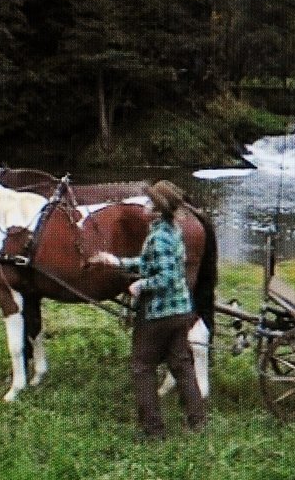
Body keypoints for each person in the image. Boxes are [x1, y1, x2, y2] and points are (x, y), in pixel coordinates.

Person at [94, 180, 206, 440]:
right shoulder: (170, 230)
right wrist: (116, 261)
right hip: (180, 311)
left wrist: (141, 286)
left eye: (149, 202)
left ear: (157, 210)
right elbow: (151, 263)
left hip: (159, 315)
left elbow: (164, 277)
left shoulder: (158, 237)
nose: (144, 205)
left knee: (142, 367)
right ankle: (198, 422)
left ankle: (153, 431)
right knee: (182, 365)